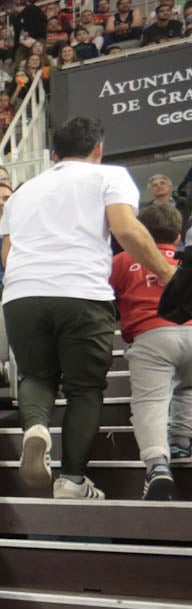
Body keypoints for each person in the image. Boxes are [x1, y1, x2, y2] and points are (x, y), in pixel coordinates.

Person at [2, 118, 175, 500]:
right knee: (84, 389)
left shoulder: (22, 191)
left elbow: (7, 253)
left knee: (36, 376)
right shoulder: (109, 176)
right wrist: (166, 273)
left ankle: (35, 428)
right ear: (98, 148)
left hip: (21, 295)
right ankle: (72, 480)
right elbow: (126, 230)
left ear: (53, 154)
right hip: (80, 291)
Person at [110, 203, 191, 500]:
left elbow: (108, 296)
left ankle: (157, 464)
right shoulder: (187, 259)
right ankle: (181, 441)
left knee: (151, 402)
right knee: (187, 388)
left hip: (151, 333)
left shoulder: (123, 259)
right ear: (178, 234)